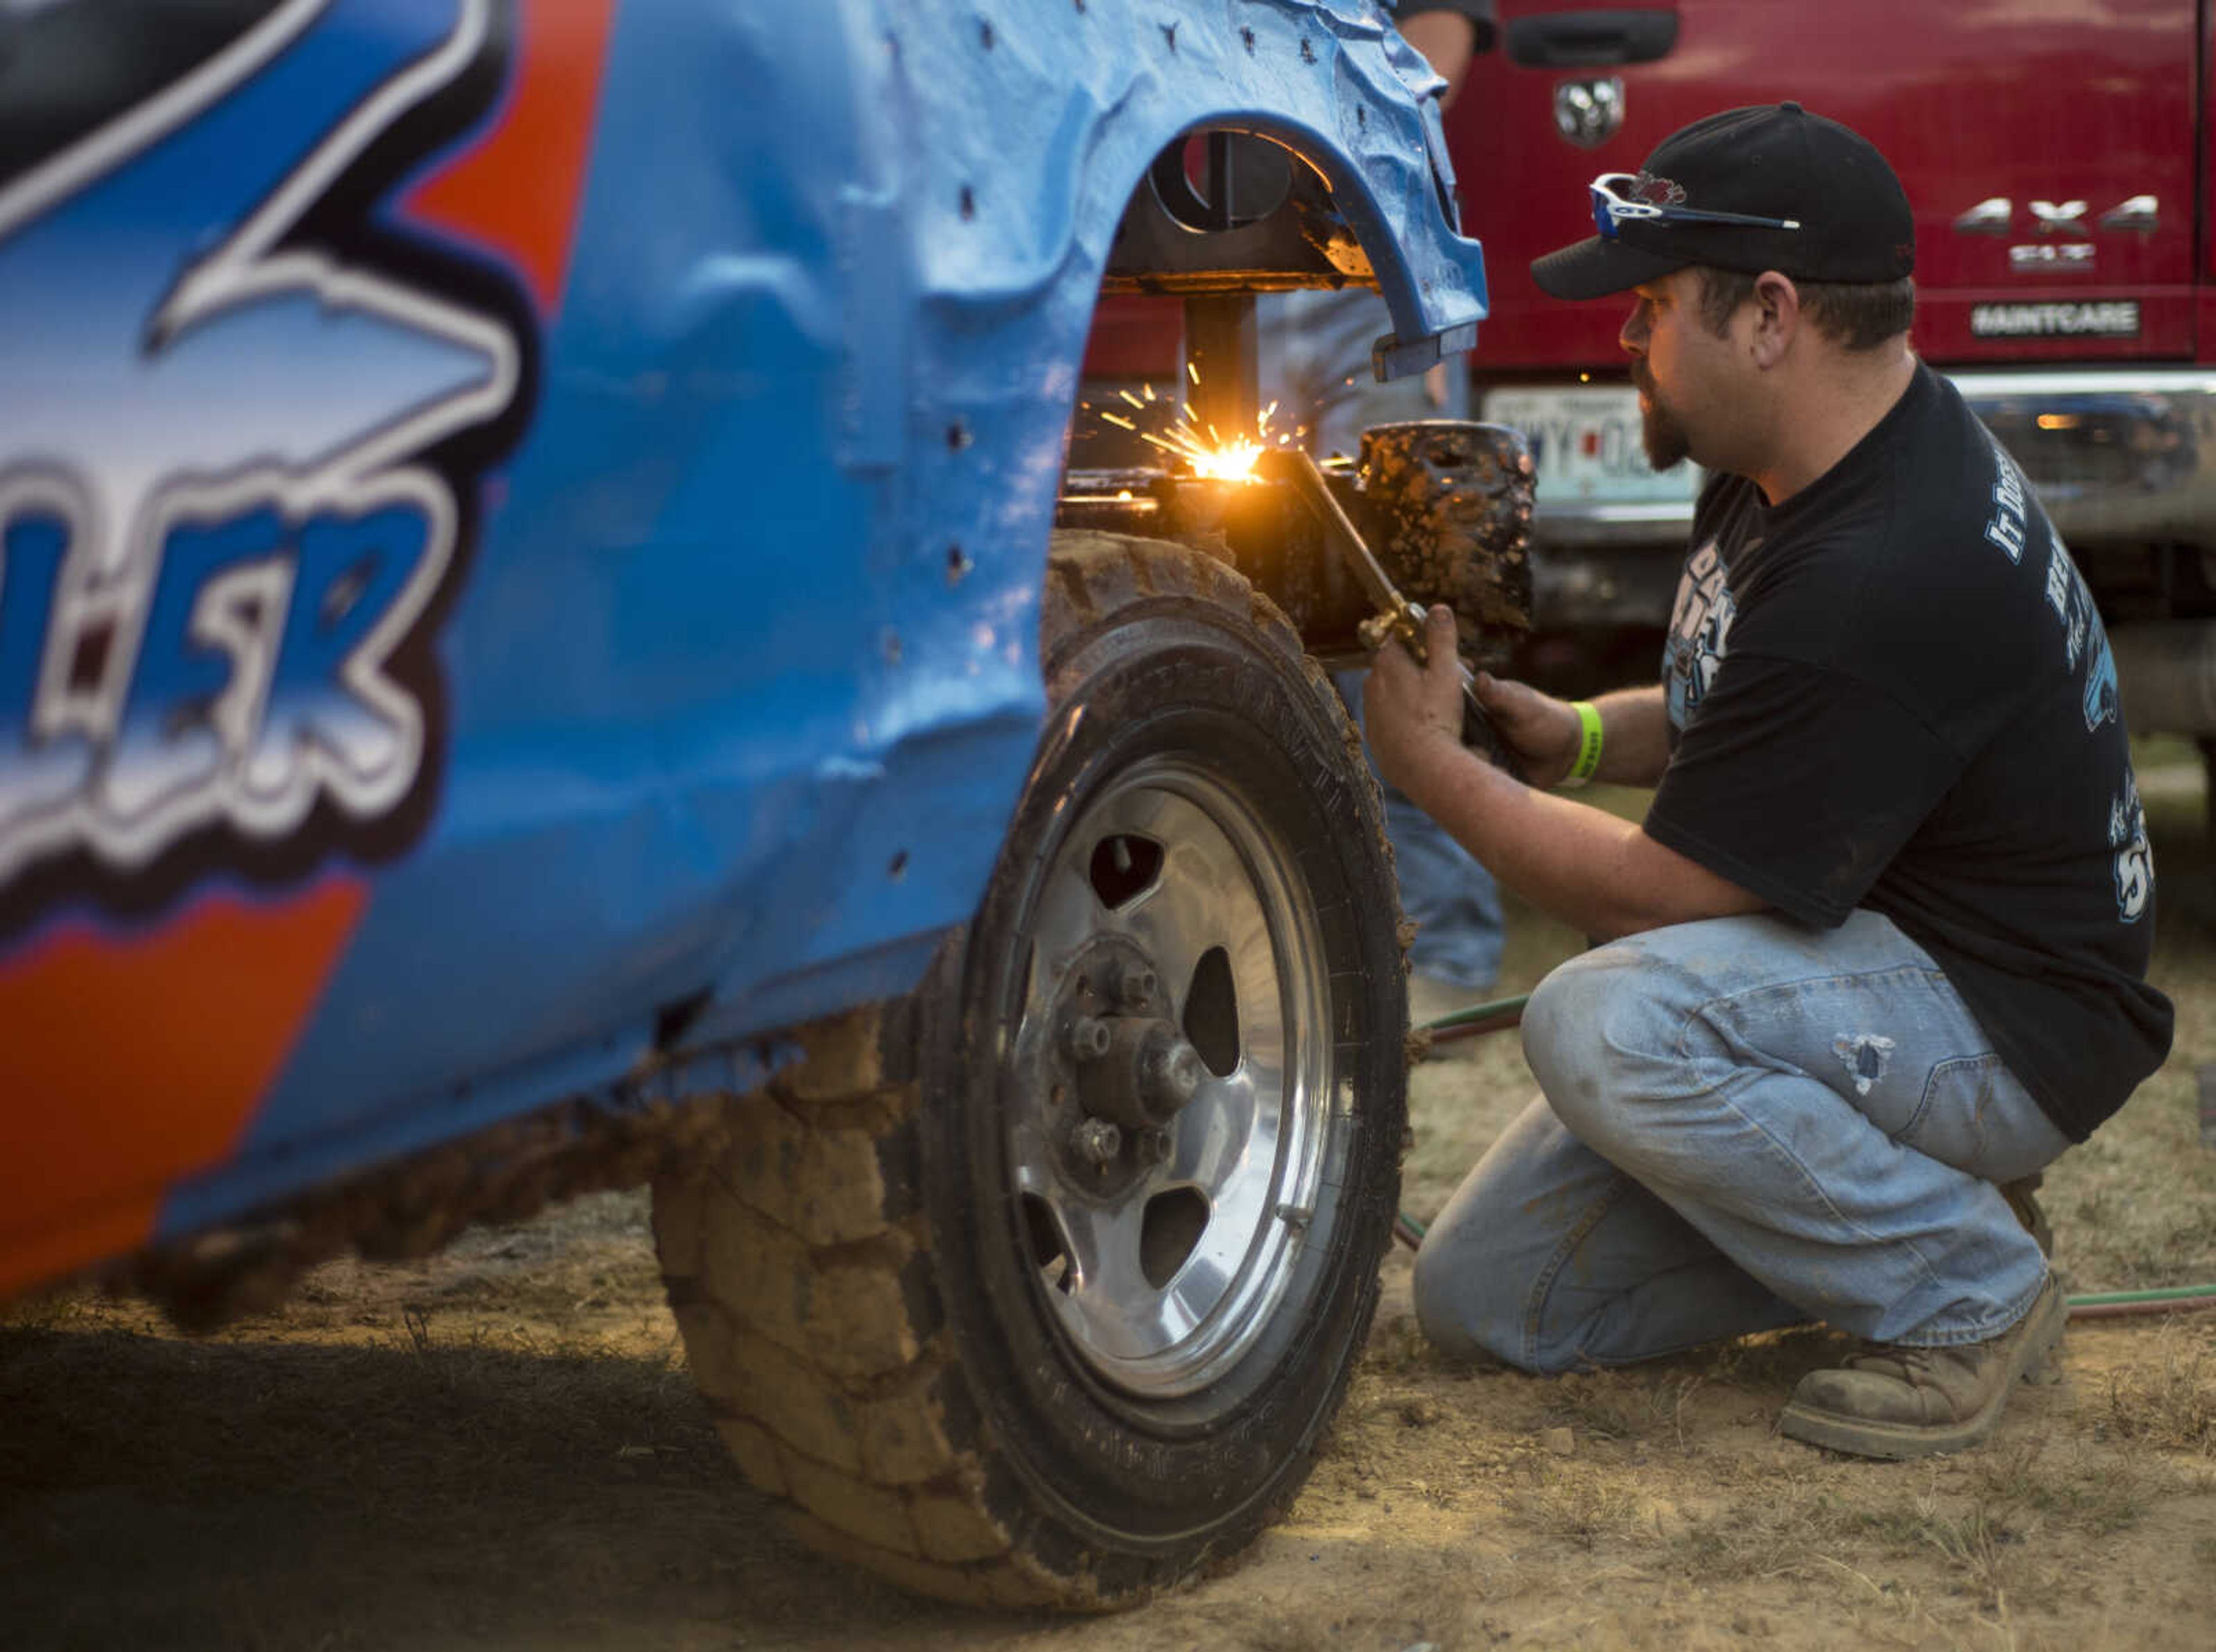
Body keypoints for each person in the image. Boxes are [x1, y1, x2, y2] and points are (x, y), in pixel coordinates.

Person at [1362, 103, 2174, 1459]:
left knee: (1608, 1020)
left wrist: (1430, 772)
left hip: (2006, 1018)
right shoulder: (1797, 463)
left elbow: (1662, 897)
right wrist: (1568, 736)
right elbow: (1744, 718)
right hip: (1890, 969)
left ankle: (1968, 1288)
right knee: (1490, 1297)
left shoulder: (1888, 563)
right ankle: (1927, 1209)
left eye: (1653, 303)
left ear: (1770, 315)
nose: (1623, 337)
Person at [1261, 0, 1508, 1010]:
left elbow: (1416, 86)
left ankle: (1450, 946)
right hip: (1273, 277)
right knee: (1294, 607)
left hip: (1379, 276)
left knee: (1401, 622)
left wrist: (1421, 321)